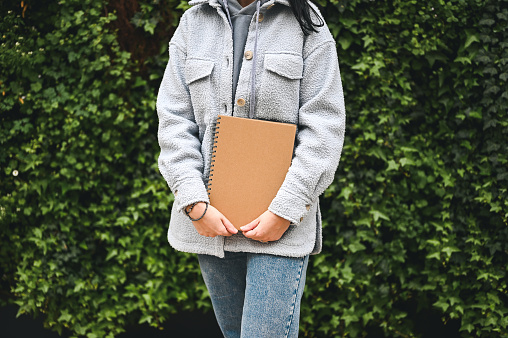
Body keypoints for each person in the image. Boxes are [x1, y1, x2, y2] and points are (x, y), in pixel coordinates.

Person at [156, 0, 345, 336]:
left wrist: (285, 210)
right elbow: (174, 121)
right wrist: (195, 205)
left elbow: (324, 128)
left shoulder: (306, 22)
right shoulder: (193, 23)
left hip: (280, 228)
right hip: (212, 224)